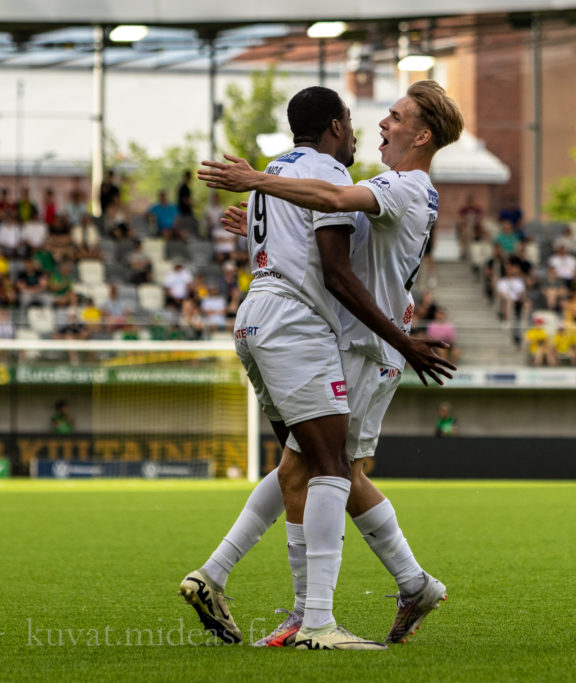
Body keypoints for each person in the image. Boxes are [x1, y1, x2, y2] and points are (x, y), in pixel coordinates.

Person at [195, 82, 462, 648]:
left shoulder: (403, 184)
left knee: (322, 470)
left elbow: (337, 205)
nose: (381, 124)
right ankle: (399, 590)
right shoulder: (391, 186)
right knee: (324, 469)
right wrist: (273, 226)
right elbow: (337, 234)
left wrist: (258, 180)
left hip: (367, 346)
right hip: (356, 341)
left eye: (395, 117)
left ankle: (309, 614)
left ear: (421, 135)